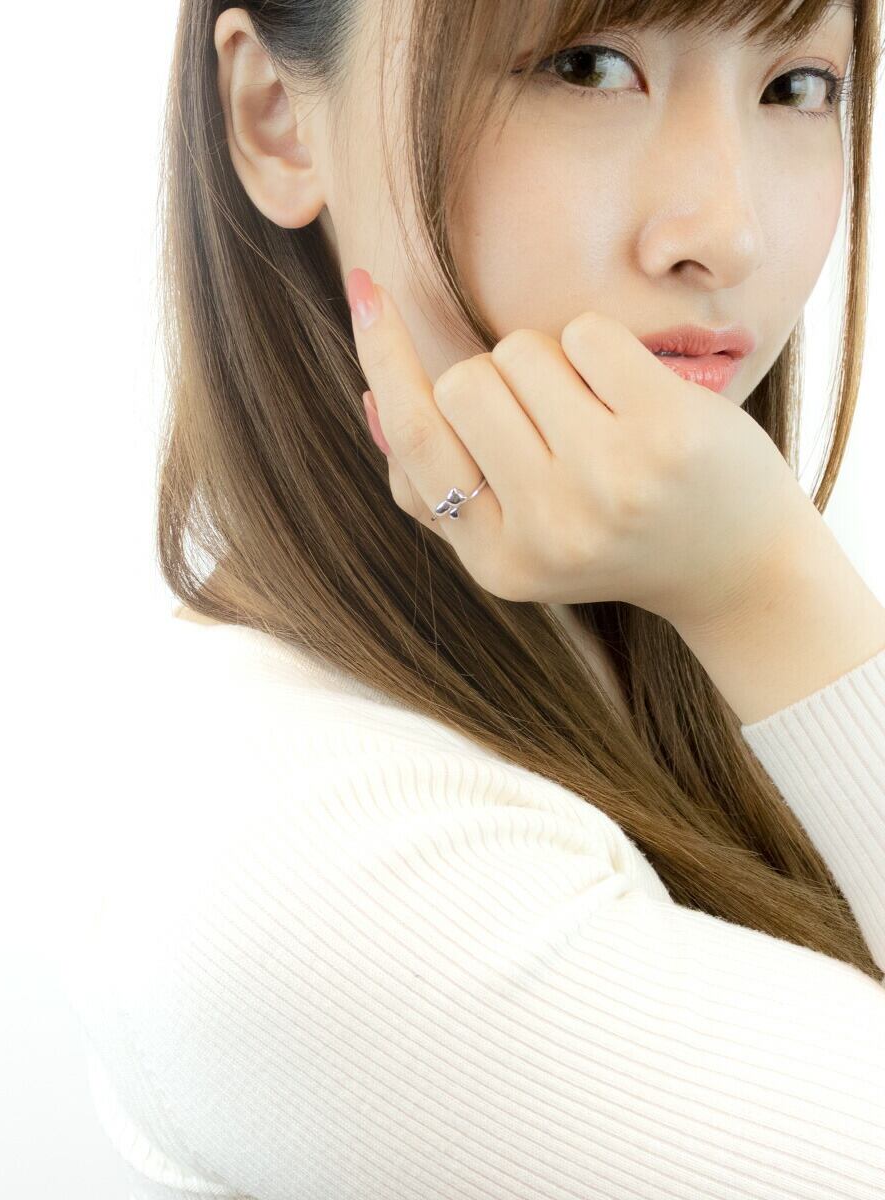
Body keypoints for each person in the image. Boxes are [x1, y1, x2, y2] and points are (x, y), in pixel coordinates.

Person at [84, 1, 885, 1196]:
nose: (731, 231)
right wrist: (769, 592)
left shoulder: (658, 630)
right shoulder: (318, 861)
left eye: (797, 87)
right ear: (275, 117)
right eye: (587, 66)